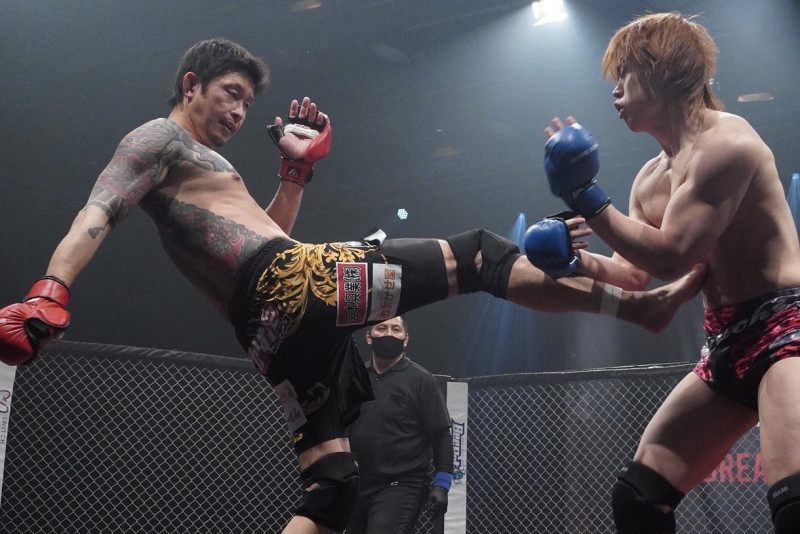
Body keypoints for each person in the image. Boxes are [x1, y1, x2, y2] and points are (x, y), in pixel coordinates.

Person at [0, 37, 706, 534]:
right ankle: (639, 309)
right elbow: (98, 212)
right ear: (191, 85)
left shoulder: (201, 169)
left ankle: (637, 304)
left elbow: (265, 237)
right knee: (480, 255)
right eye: (230, 95)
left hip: (269, 333)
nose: (239, 113)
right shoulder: (157, 138)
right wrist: (51, 288)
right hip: (295, 284)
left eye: (246, 101)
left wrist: (296, 174)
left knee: (333, 489)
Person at [526, 12, 800, 534]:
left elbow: (673, 255)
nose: (615, 90)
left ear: (665, 70)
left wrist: (584, 195)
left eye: (625, 73)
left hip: (787, 331)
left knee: (794, 506)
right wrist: (572, 260)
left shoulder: (728, 143)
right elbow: (634, 275)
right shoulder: (650, 179)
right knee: (638, 497)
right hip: (725, 341)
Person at [346, 316, 453, 534]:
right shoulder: (356, 377)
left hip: (401, 485)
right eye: (382, 328)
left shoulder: (421, 380)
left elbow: (441, 435)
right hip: (358, 484)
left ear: (405, 339)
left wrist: (442, 484)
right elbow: (341, 427)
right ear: (369, 336)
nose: (389, 334)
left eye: (396, 329)